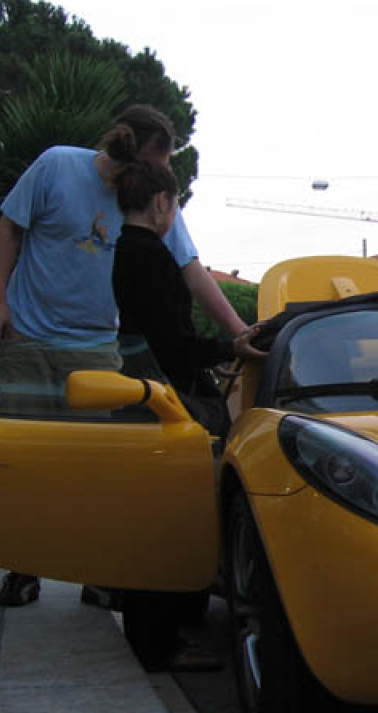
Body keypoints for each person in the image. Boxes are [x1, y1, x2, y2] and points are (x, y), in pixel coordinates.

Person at [0, 104, 249, 608]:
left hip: (97, 347)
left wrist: (239, 331)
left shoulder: (149, 201)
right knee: (26, 462)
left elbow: (191, 268)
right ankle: (22, 567)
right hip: (29, 337)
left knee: (99, 467)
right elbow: (9, 230)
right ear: (131, 148)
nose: (156, 177)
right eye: (154, 163)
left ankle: (97, 570)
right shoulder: (57, 165)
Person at [110, 158, 266, 671]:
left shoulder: (124, 251)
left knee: (143, 526)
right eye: (176, 205)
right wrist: (229, 347)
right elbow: (172, 345)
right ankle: (160, 643)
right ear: (162, 203)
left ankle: (152, 636)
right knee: (164, 525)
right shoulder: (152, 257)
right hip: (161, 405)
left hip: (139, 401)